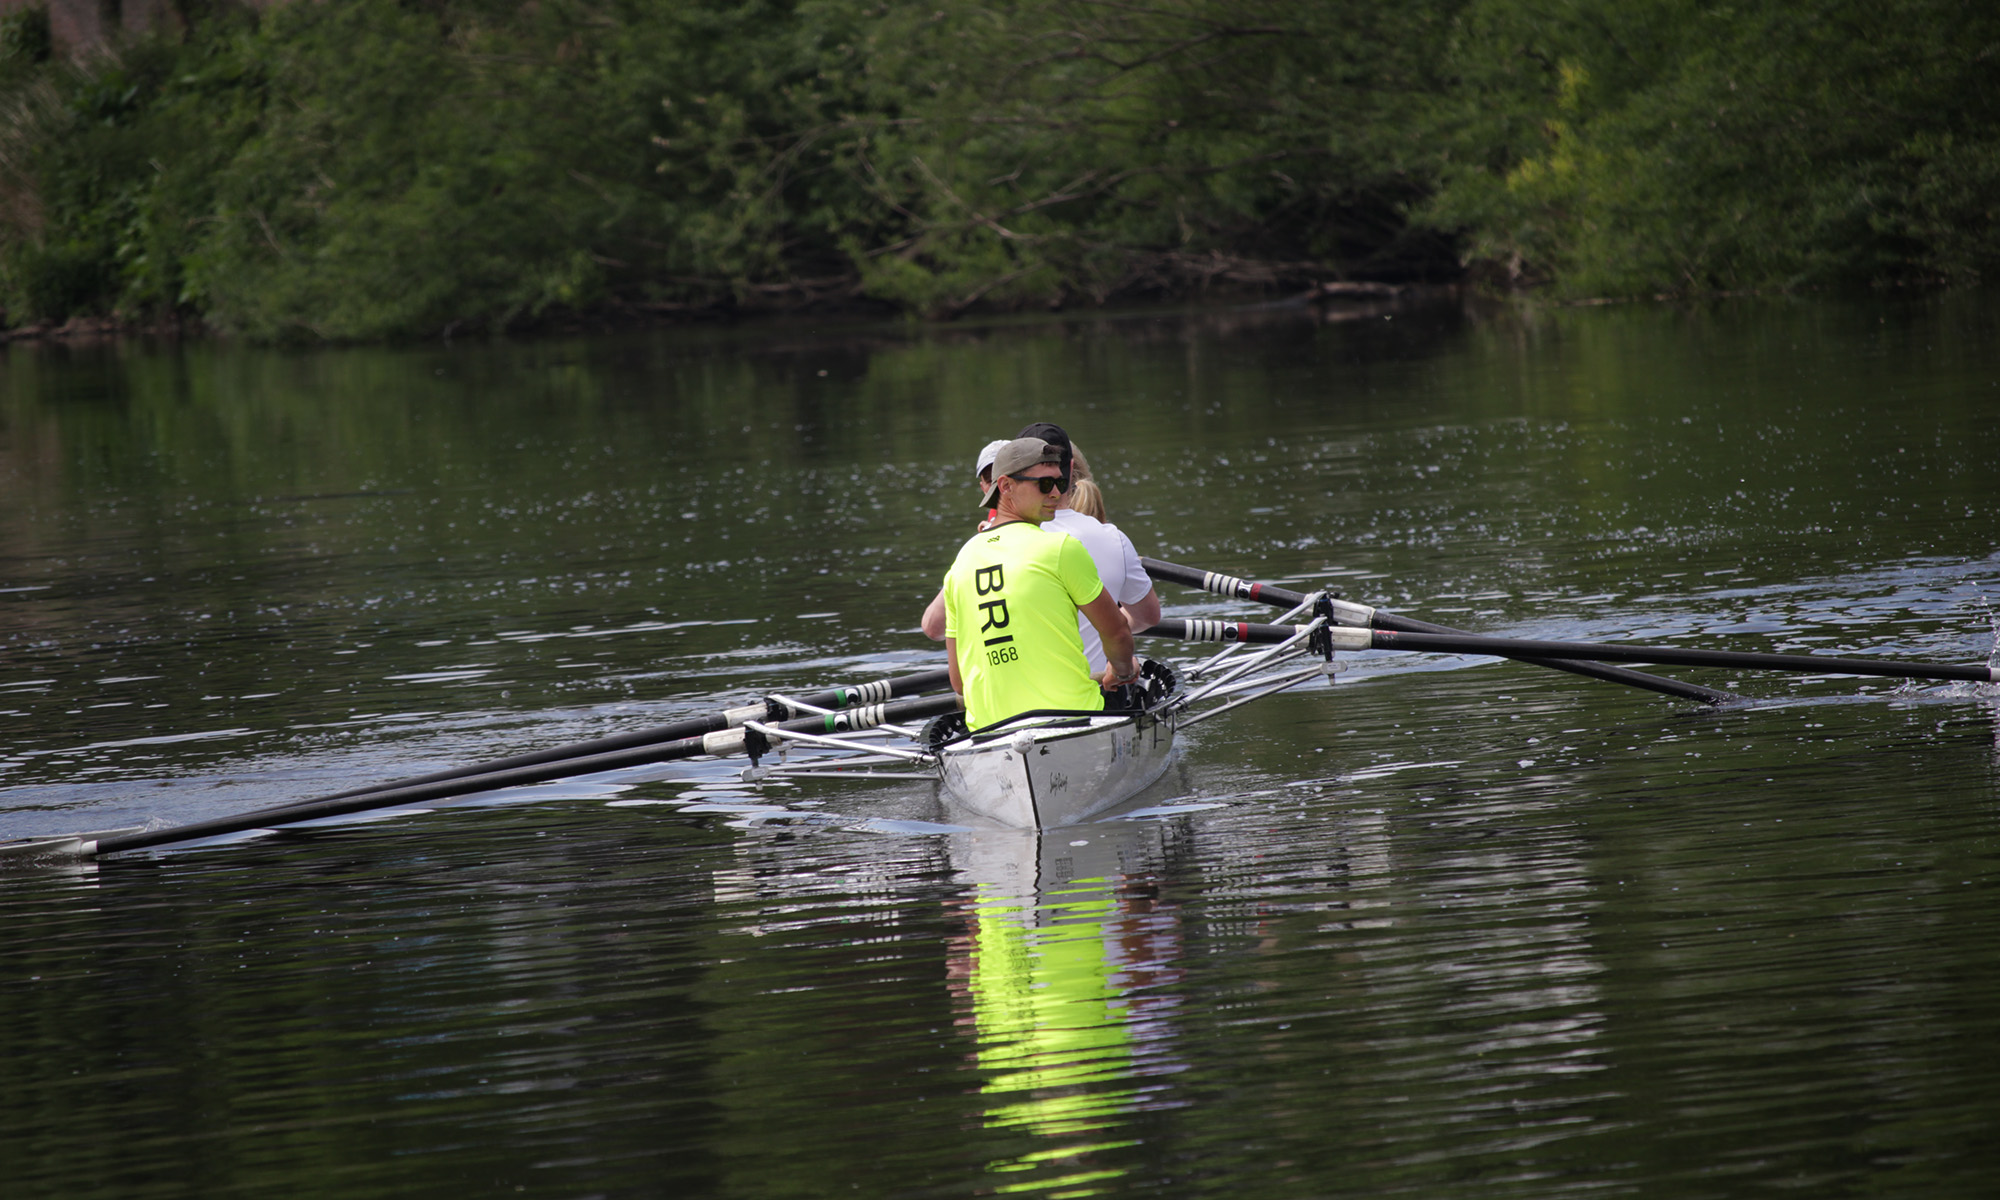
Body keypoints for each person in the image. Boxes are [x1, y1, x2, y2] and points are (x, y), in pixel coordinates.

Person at [939, 437, 1139, 729]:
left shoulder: (960, 564)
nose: (1057, 494)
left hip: (989, 731)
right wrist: (1122, 671)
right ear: (1005, 486)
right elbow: (1119, 635)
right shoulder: (1061, 548)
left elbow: (958, 683)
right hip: (1073, 718)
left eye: (1060, 483)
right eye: (1044, 485)